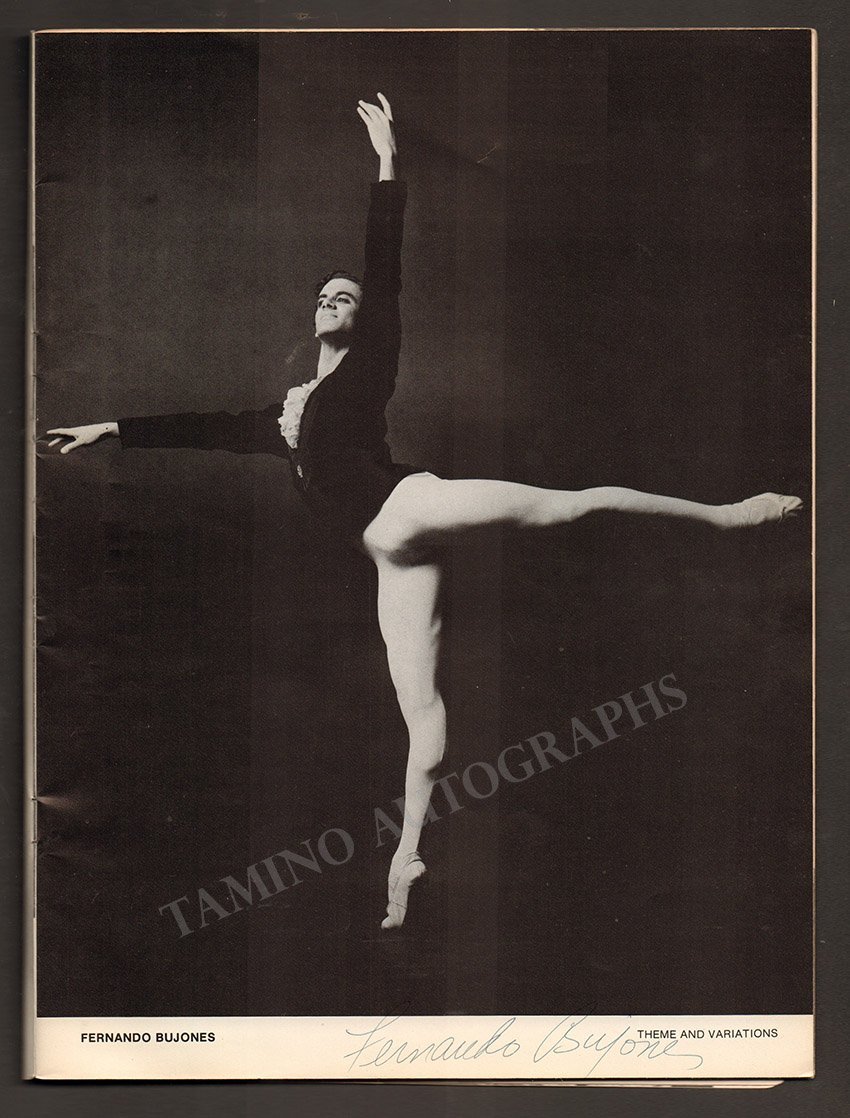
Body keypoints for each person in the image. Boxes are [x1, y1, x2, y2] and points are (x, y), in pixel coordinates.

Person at [45, 94, 802, 930]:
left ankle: (729, 516)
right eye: (325, 296)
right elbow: (206, 428)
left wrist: (386, 162)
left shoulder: (371, 361)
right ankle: (406, 859)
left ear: (365, 318)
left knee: (570, 508)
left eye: (346, 297)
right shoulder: (284, 413)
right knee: (422, 712)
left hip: (411, 502)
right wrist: (112, 428)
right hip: (389, 553)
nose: (334, 300)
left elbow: (385, 258)